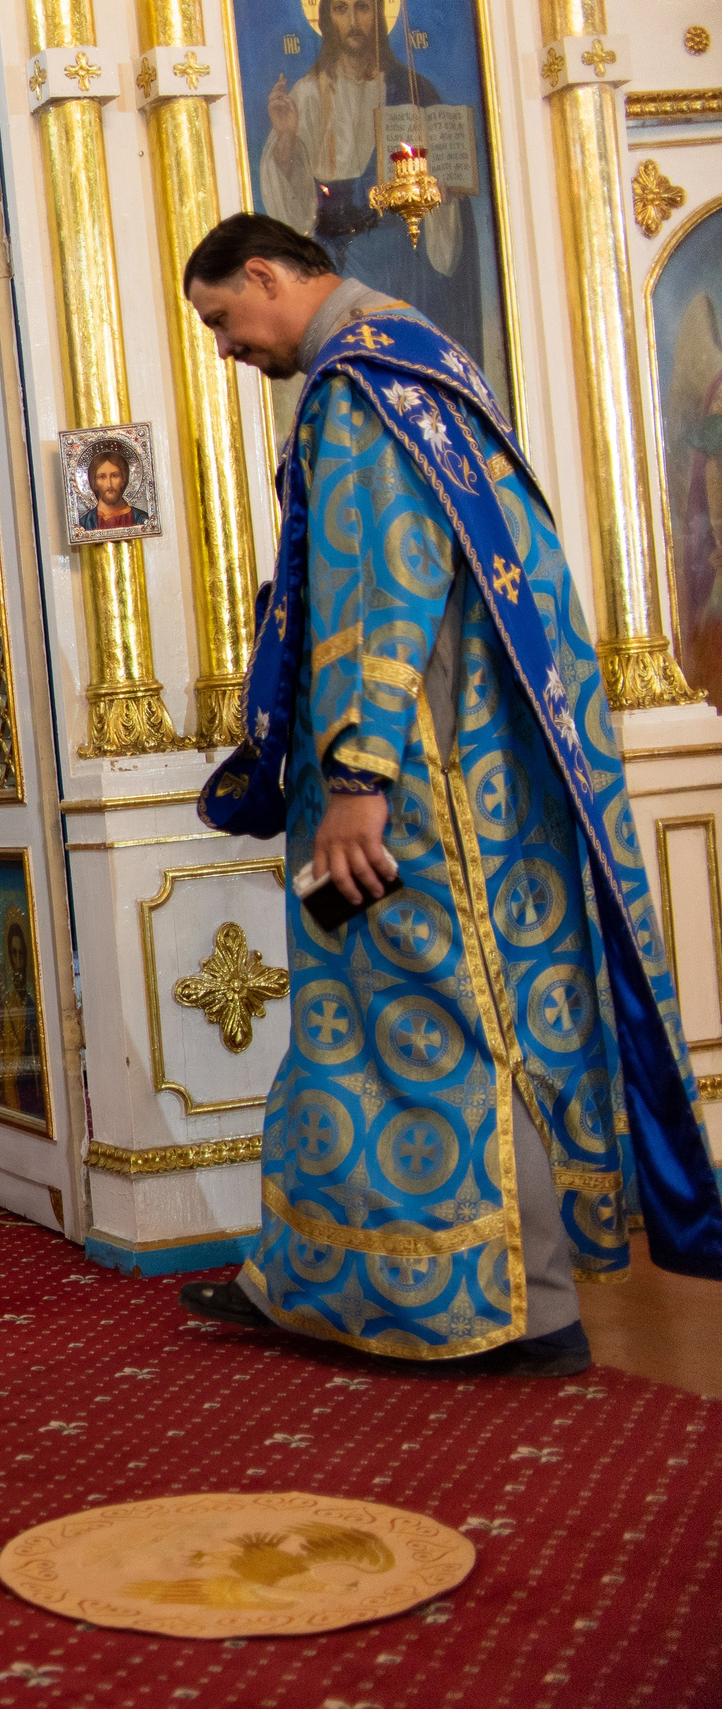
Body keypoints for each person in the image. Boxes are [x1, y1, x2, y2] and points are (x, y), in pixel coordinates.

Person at [177, 212, 722, 1374]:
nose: (229, 349)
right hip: (496, 768)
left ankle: (491, 1307)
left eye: (225, 320)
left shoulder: (358, 390)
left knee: (435, 1027)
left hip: (420, 785)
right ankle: (337, 1282)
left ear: (267, 276)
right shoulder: (429, 360)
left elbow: (384, 588)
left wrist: (362, 779)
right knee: (432, 1020)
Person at [256, 0, 480, 374]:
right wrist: (286, 138)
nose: (353, 21)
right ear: (325, 18)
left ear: (378, 15)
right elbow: (290, 203)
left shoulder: (413, 89)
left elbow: (440, 181)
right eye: (341, 9)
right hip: (340, 260)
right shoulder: (308, 94)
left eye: (362, 8)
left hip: (403, 259)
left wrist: (446, 195)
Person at [74, 442, 149, 534]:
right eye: (102, 477)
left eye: (114, 476)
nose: (109, 484)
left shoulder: (141, 519)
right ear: (94, 482)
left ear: (123, 479)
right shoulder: (85, 524)